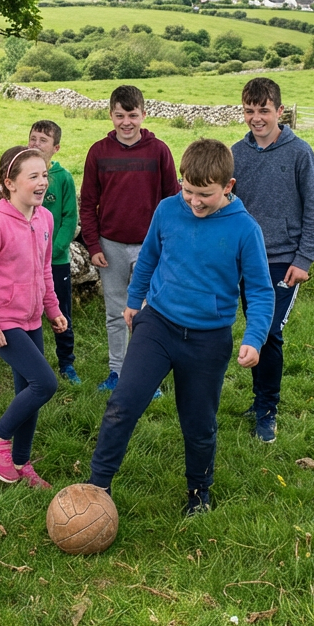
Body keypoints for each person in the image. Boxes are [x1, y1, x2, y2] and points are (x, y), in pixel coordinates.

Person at [86, 138, 274, 515]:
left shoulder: (244, 230)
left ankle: (199, 493)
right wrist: (134, 302)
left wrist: (254, 338)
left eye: (204, 194)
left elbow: (260, 291)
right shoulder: (168, 210)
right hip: (157, 324)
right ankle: (96, 486)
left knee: (199, 423)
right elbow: (150, 258)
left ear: (228, 187)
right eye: (188, 191)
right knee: (123, 404)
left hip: (208, 339)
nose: (194, 201)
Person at [0, 146, 69, 488]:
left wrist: (53, 309)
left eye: (45, 174)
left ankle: (22, 464)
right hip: (3, 322)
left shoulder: (45, 219)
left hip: (32, 319)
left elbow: (44, 268)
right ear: (9, 183)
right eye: (33, 176)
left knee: (29, 395)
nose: (43, 182)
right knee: (45, 383)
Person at [231, 77, 314, 443]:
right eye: (250, 111)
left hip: (283, 262)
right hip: (244, 261)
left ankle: (267, 409)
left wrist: (304, 259)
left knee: (268, 334)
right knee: (256, 329)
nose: (256, 118)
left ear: (279, 111)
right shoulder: (237, 153)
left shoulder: (300, 153)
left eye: (264, 110)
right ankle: (259, 402)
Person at [80, 84, 179, 392]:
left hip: (151, 246)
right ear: (110, 115)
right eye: (120, 115)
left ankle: (147, 375)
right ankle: (117, 372)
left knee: (150, 313)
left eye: (132, 115)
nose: (126, 122)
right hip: (110, 246)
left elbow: (173, 200)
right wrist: (93, 245)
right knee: (115, 311)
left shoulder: (159, 150)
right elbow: (88, 203)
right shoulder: (98, 152)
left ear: (143, 115)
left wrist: (168, 246)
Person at [28, 119, 80, 384]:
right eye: (33, 138)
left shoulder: (62, 178)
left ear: (55, 147)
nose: (36, 144)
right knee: (26, 311)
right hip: (25, 261)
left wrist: (52, 250)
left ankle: (66, 363)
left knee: (60, 311)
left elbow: (69, 218)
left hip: (55, 261)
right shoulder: (20, 172)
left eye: (43, 140)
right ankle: (30, 362)